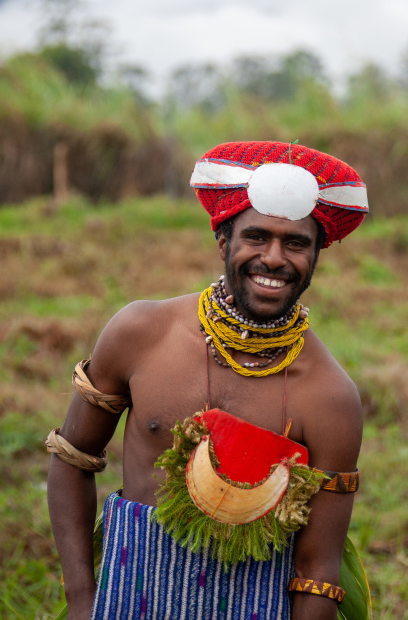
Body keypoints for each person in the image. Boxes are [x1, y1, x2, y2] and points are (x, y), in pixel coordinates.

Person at [47, 140, 369, 620]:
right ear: (225, 242)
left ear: (316, 255)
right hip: (127, 600)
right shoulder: (140, 333)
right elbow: (73, 458)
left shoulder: (330, 397)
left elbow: (317, 569)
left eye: (296, 243)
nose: (275, 258)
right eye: (256, 236)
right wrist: (81, 599)